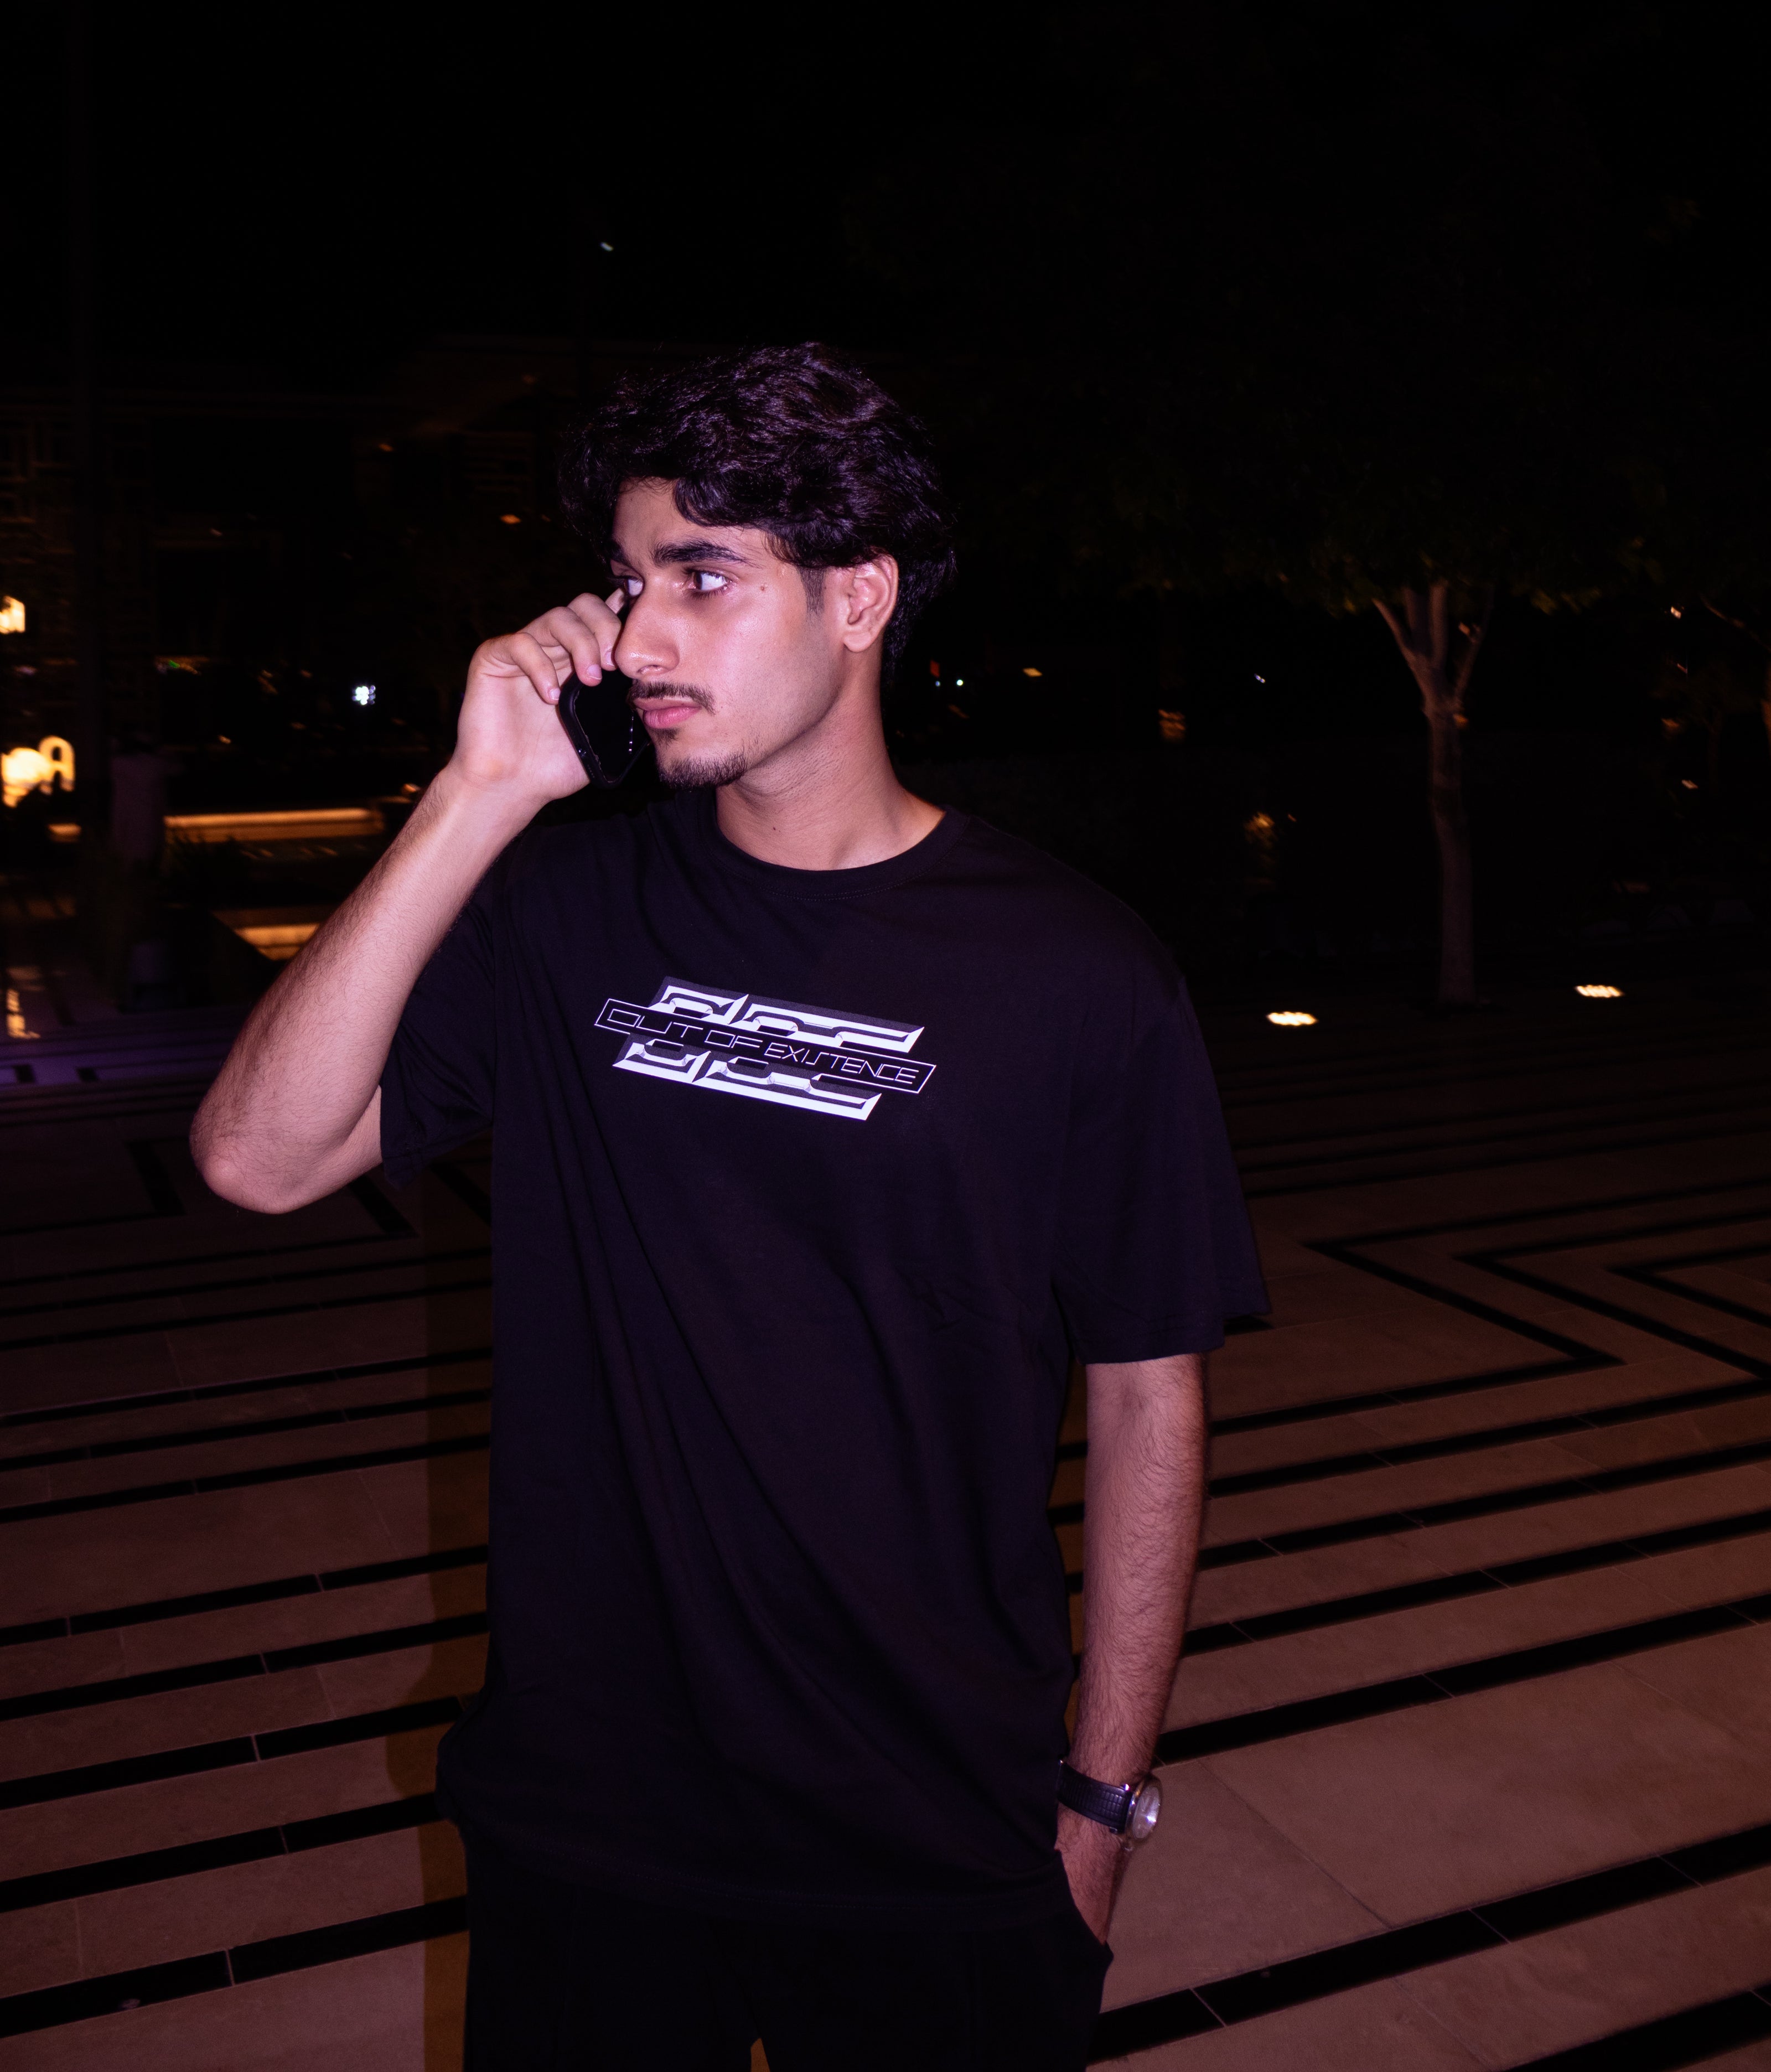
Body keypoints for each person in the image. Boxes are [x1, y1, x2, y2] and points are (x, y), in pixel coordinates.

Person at [193, 343, 1266, 2071]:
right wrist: (477, 795)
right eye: (628, 584)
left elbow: (1153, 1395)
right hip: (588, 1815)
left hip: (932, 1823)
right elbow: (259, 1157)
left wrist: (1099, 1809)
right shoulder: (566, 909)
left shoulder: (1078, 974)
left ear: (861, 597)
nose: (637, 641)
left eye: (703, 577)